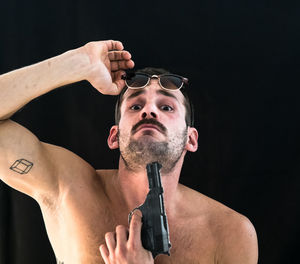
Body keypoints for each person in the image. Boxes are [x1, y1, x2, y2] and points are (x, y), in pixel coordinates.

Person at [0, 40, 258, 264]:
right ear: (114, 136)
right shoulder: (68, 187)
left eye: (166, 107)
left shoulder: (231, 233)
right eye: (135, 106)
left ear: (191, 139)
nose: (149, 111)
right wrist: (76, 63)